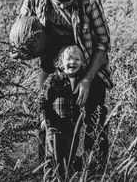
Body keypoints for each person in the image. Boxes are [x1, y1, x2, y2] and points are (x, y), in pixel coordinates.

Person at [18, 0, 112, 172]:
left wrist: (87, 79)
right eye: (58, 0)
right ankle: (50, 170)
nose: (62, 5)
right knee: (49, 116)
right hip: (52, 65)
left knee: (94, 117)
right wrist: (21, 48)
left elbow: (103, 43)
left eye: (67, 1)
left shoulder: (88, 0)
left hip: (86, 62)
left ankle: (94, 172)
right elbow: (23, 27)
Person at [40, 45, 84, 179]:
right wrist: (43, 118)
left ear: (82, 63)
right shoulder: (54, 79)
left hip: (71, 129)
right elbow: (43, 100)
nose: (73, 62)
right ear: (59, 62)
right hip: (54, 127)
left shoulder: (81, 81)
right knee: (52, 159)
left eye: (77, 59)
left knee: (67, 159)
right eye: (69, 59)